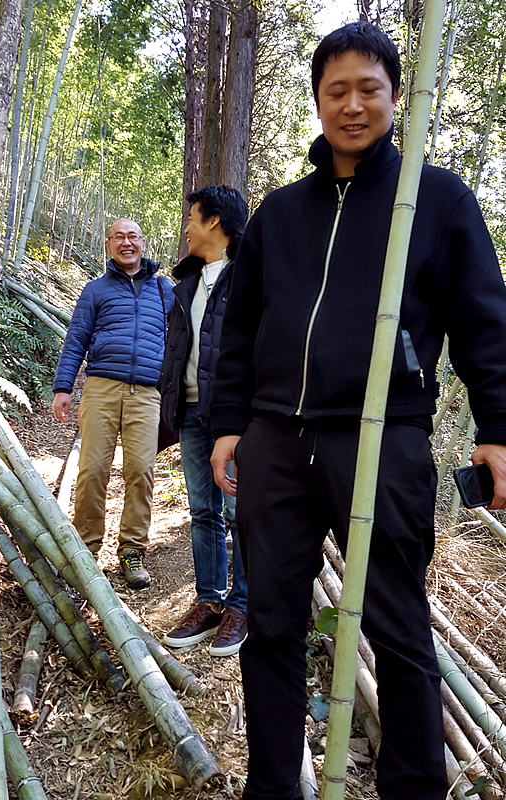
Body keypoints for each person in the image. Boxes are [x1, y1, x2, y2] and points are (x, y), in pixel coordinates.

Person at [209, 22, 506, 800]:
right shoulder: (279, 212)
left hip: (383, 441)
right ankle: (274, 785)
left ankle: (412, 787)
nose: (351, 105)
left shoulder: (436, 201)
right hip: (276, 437)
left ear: (396, 97)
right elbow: (239, 328)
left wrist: (498, 430)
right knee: (270, 624)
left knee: (396, 626)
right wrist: (229, 423)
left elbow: (485, 326)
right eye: (335, 90)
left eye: (368, 89)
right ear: (317, 99)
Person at [52, 217, 174, 589]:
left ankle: (132, 549)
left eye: (132, 236)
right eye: (118, 237)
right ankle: (86, 547)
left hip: (148, 393)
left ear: (142, 242)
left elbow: (179, 339)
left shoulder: (165, 289)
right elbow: (76, 339)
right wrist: (63, 387)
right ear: (108, 245)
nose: (126, 242)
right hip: (102, 387)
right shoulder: (95, 290)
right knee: (92, 470)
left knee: (141, 471)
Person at [159, 186, 249, 657]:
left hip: (233, 416)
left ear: (214, 222)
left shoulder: (250, 276)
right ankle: (209, 601)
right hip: (191, 410)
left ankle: (242, 604)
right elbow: (178, 350)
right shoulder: (186, 284)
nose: (187, 227)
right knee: (202, 511)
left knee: (240, 512)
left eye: (192, 218)